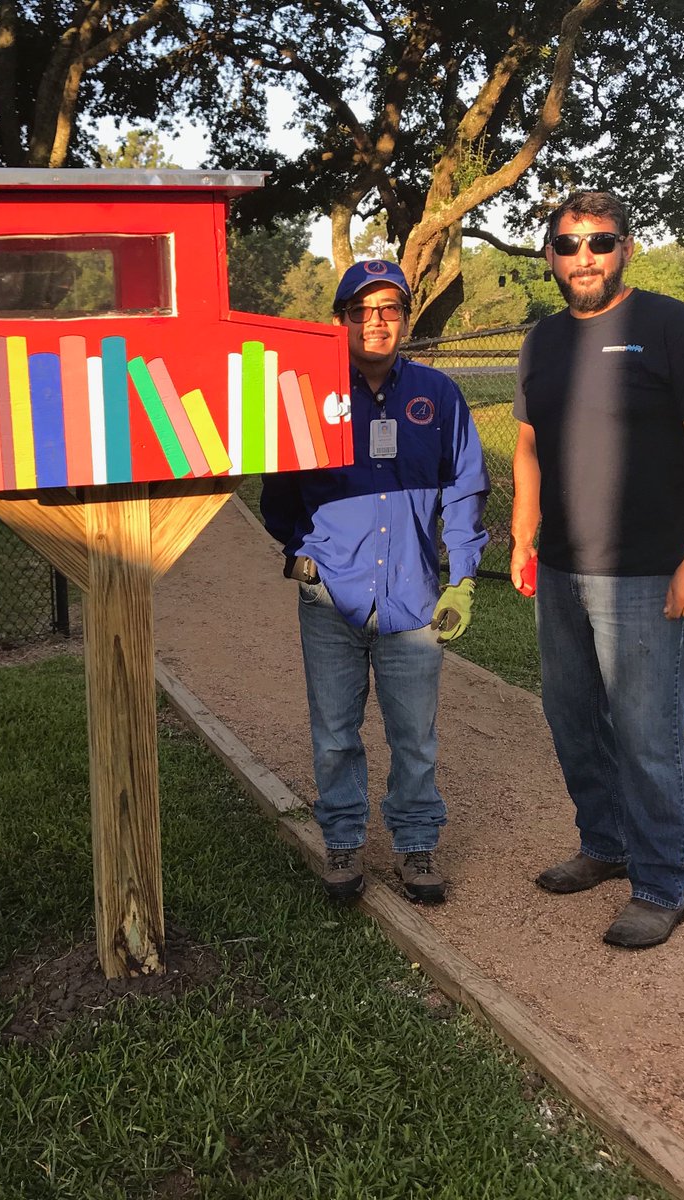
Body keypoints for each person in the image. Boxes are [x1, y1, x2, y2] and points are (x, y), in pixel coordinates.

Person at [511, 190, 684, 949]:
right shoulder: (541, 341)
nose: (585, 258)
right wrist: (521, 535)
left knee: (646, 733)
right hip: (564, 570)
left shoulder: (672, 327)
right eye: (570, 244)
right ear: (549, 254)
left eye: (601, 242)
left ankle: (662, 882)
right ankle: (604, 845)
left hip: (646, 573)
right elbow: (531, 444)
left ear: (627, 248)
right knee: (572, 720)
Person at [261, 260, 489, 905]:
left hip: (414, 599)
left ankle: (416, 847)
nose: (376, 321)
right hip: (330, 597)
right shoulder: (307, 393)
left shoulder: (438, 396)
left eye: (389, 308)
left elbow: (465, 487)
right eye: (361, 310)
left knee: (413, 734)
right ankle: (343, 840)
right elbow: (278, 493)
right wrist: (307, 552)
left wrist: (463, 578)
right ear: (339, 322)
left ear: (406, 318)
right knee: (335, 732)